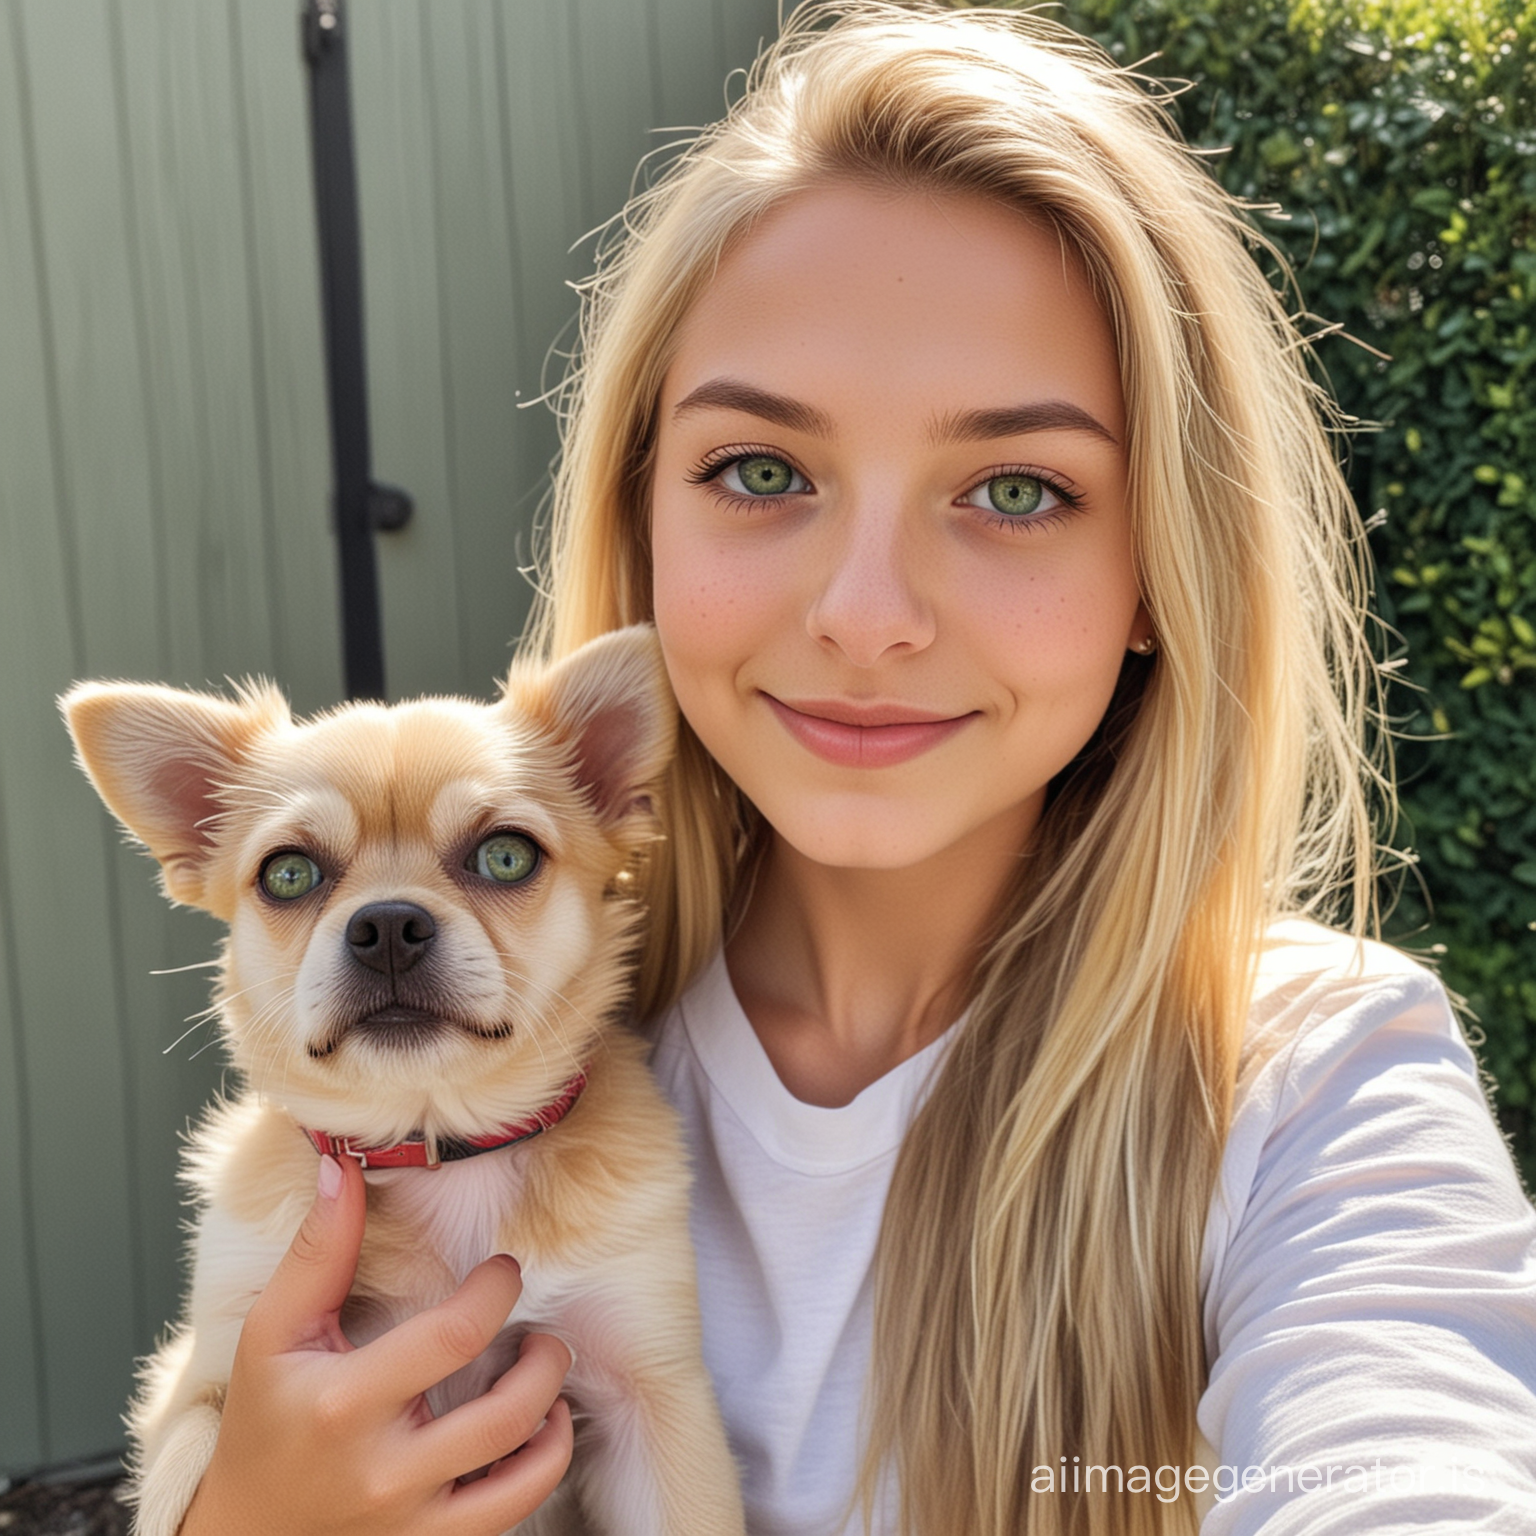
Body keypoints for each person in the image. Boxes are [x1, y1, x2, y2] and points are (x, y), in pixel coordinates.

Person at [178, 4, 1536, 1534]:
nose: (867, 617)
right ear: (642, 526)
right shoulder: (465, 1085)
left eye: (1018, 488)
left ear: (1165, 565)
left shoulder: (1312, 1089)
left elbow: (1408, 1459)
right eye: (762, 471)